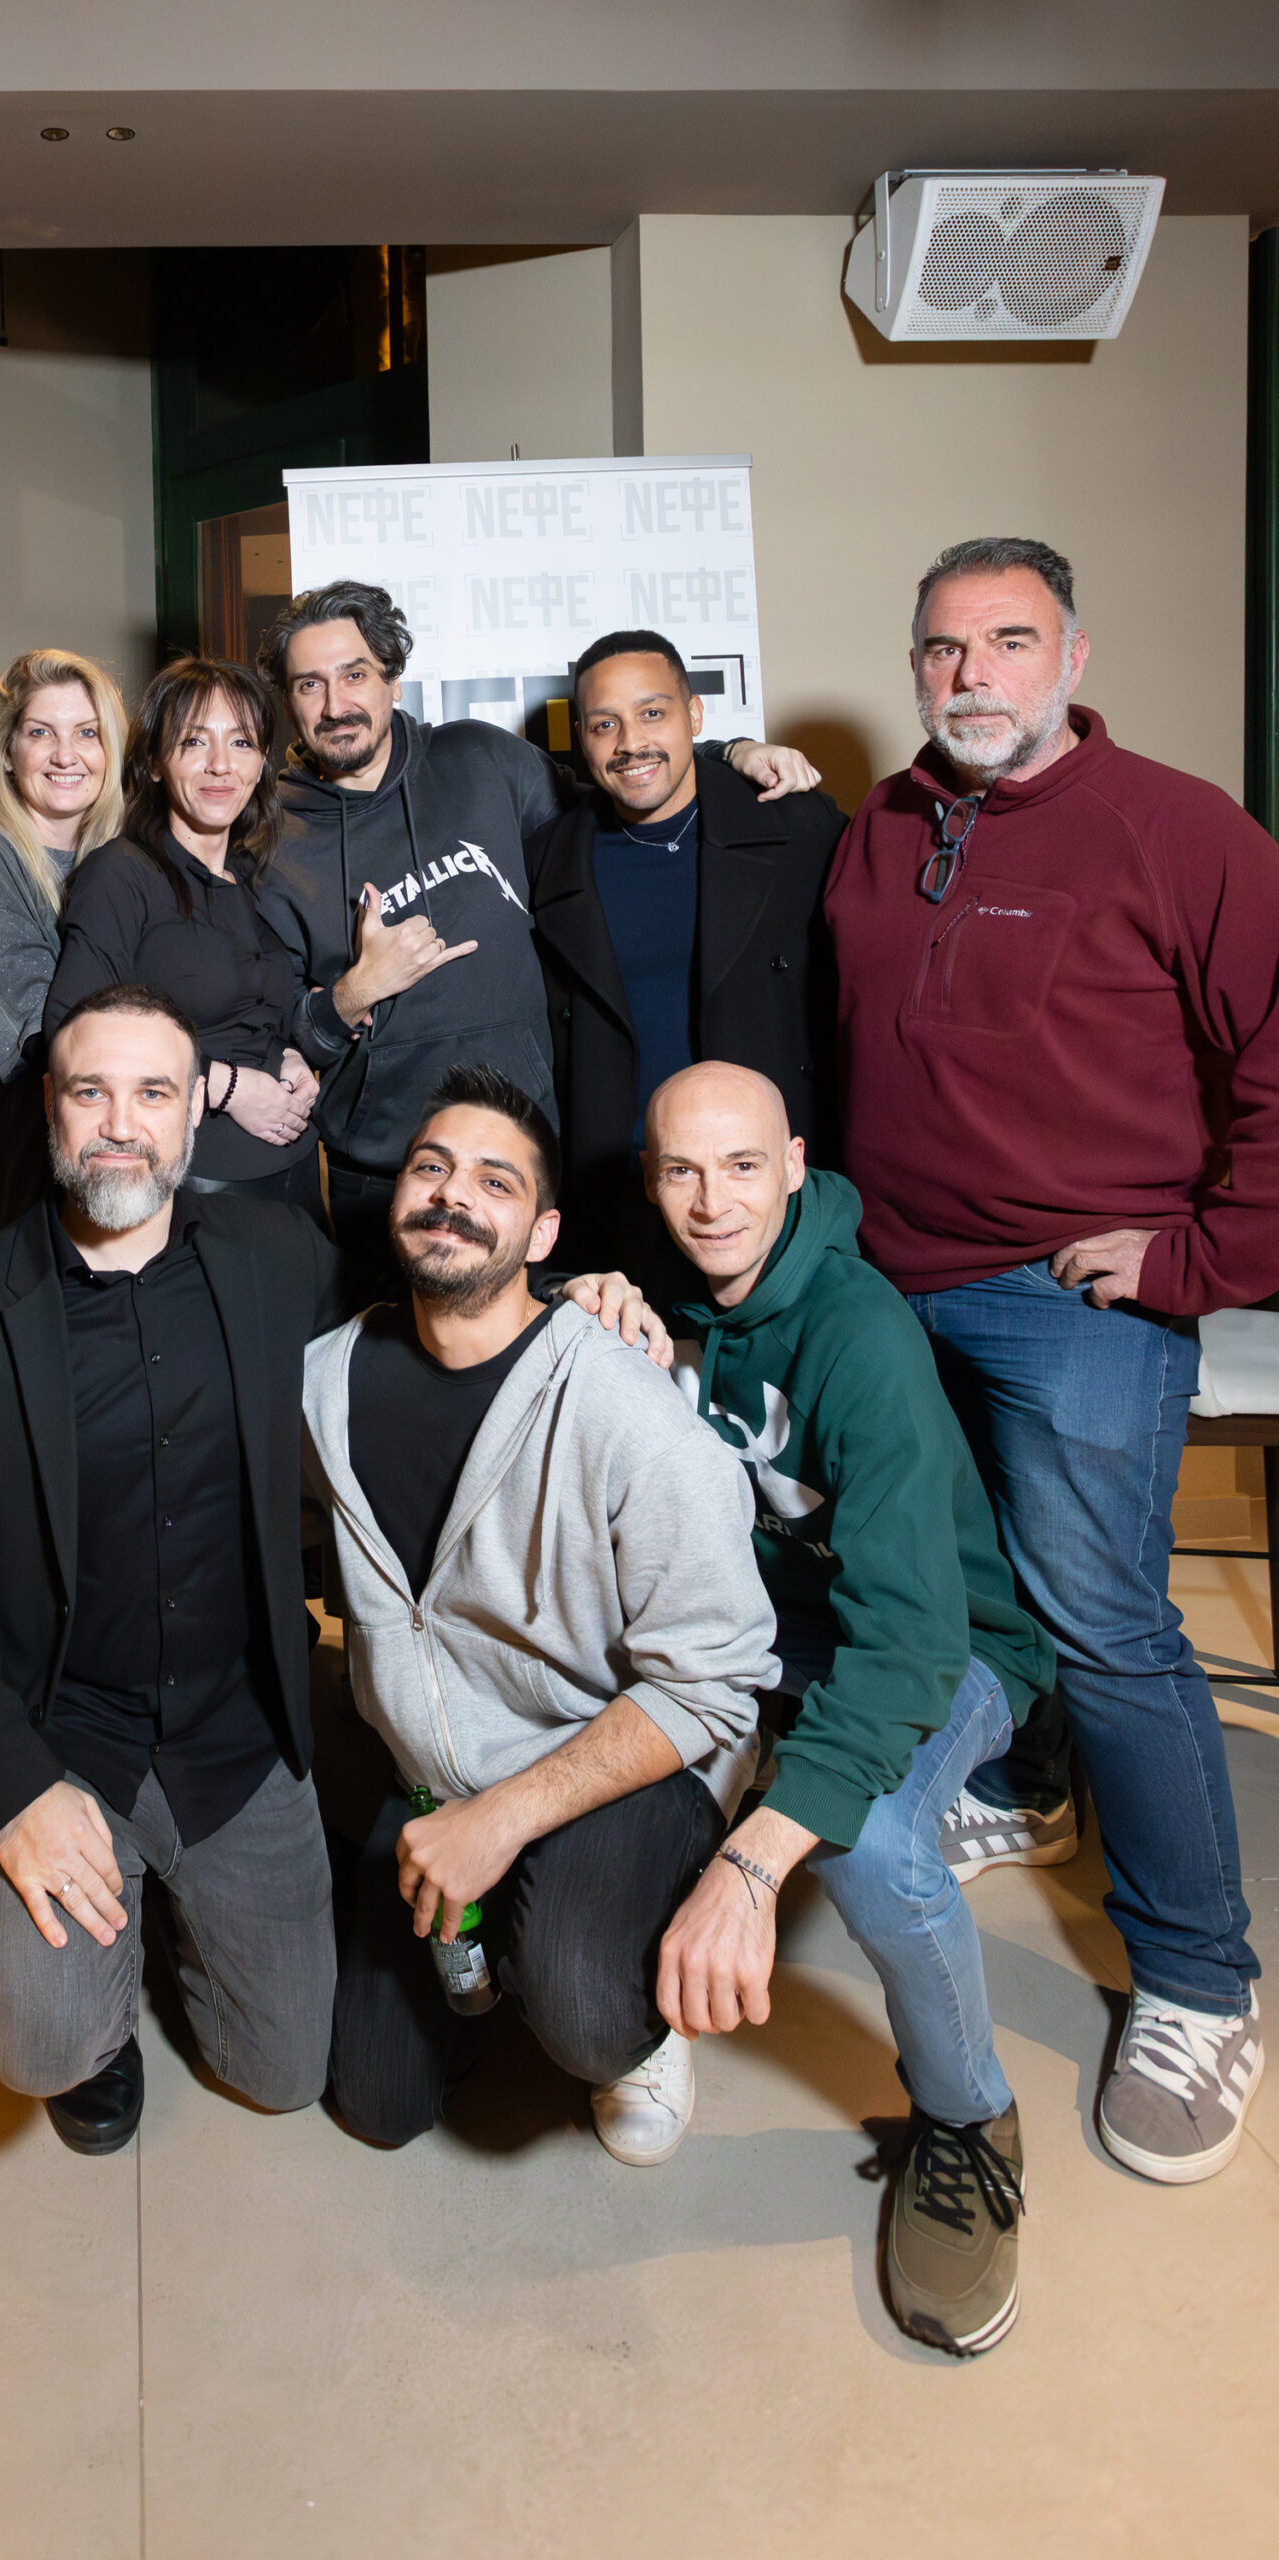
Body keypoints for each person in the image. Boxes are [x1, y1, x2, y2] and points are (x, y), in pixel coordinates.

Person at [826, 534, 1279, 2185]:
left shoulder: (1182, 832)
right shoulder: (881, 826)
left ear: (1071, 658)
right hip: (892, 1281)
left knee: (1105, 1623)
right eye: (943, 648)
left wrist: (1198, 1262)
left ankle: (1199, 1981)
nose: (972, 676)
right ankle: (1026, 1786)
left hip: (1067, 1296)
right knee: (962, 1586)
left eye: (1009, 642)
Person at [0, 985, 344, 2153]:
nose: (121, 1124)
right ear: (50, 1108)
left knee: (283, 2072)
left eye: (152, 1093)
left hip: (237, 1730)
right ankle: (98, 2003)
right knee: (43, 2042)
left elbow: (430, 1343)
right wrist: (8, 1788)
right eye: (91, 1092)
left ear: (189, 1119)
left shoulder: (281, 1258)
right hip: (62, 1737)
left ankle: (181, 1913)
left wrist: (579, 1299)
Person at [641, 1063, 1055, 2355]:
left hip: (942, 1643)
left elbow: (910, 1640)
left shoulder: (856, 1333)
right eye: (679, 1171)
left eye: (741, 1167)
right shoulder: (658, 1297)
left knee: (868, 1848)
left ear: (793, 1165)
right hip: (773, 1633)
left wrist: (753, 1862)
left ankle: (967, 2114)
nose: (711, 1203)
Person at [304, 1065, 776, 2167]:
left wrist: (504, 1820)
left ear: (543, 1231)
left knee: (584, 2009)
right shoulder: (324, 1381)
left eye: (494, 1181)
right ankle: (504, 1940)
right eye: (431, 1168)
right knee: (376, 2101)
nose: (451, 1194)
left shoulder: (626, 1410)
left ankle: (622, 1994)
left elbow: (719, 1683)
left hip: (622, 1751)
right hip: (436, 1765)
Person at [250, 580, 819, 1283]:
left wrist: (725, 754)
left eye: (355, 674)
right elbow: (274, 1032)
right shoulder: (267, 841)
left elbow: (624, 790)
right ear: (289, 702)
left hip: (526, 1158)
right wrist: (355, 991)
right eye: (309, 684)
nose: (336, 704)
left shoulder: (482, 760)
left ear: (393, 680)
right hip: (383, 1174)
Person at [526, 628, 844, 1270]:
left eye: (652, 713)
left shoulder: (796, 826)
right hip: (620, 1194)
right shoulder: (547, 861)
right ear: (582, 738)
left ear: (694, 716)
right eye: (605, 724)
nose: (630, 743)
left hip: (771, 1192)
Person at [43, 657, 325, 1217]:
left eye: (241, 743)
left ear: (261, 764)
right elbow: (70, 1031)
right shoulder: (121, 874)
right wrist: (226, 1087)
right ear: (153, 762)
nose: (221, 764)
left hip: (292, 1176)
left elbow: (251, 1015)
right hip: (192, 1186)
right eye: (195, 741)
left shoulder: (251, 879)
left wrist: (287, 1055)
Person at [0, 648, 128, 1244]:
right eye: (41, 732)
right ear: (7, 750)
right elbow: (34, 1036)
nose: (66, 755)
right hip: (15, 1162)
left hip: (112, 1150)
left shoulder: (122, 854)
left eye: (87, 733)